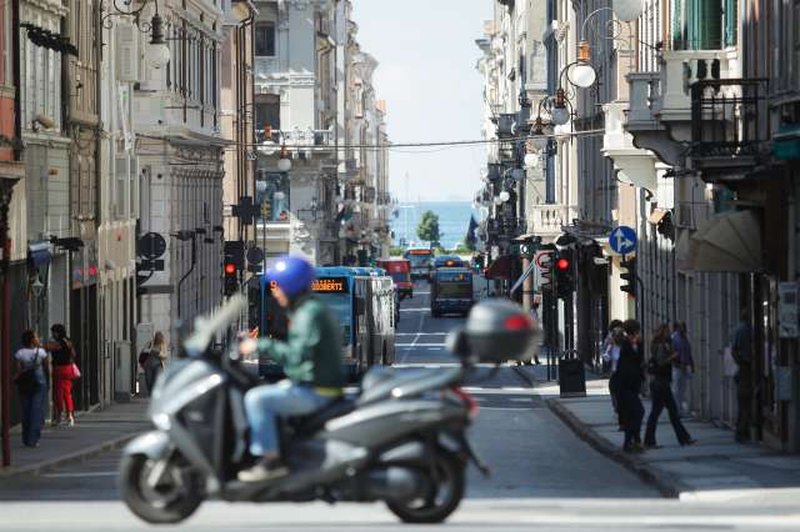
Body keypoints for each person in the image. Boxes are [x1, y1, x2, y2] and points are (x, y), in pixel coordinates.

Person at [238, 256, 345, 482]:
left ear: (291, 287)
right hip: (315, 383)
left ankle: (270, 460)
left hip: (318, 390)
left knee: (257, 399)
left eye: (279, 286)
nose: (275, 293)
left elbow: (297, 355)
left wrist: (260, 344)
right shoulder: (309, 309)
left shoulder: (308, 314)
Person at [643, 323, 695, 448]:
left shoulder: (660, 345)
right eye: (667, 331)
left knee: (670, 412)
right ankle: (650, 441)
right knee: (661, 413)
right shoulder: (660, 346)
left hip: (660, 383)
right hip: (661, 384)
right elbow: (661, 362)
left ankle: (683, 438)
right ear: (662, 332)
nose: (669, 333)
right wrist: (672, 356)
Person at [13, 330, 49, 448]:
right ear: (33, 340)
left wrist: (14, 379)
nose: (38, 338)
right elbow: (47, 368)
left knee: (26, 411)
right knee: (36, 410)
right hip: (39, 381)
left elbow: (18, 370)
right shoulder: (41, 352)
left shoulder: (20, 353)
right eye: (36, 337)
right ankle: (33, 439)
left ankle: (26, 438)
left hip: (25, 383)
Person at [616, 320, 645, 453]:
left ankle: (631, 442)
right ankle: (633, 441)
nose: (639, 333)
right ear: (634, 332)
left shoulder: (635, 345)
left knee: (633, 414)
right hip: (625, 386)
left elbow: (639, 361)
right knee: (637, 412)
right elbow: (628, 365)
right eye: (638, 331)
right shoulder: (626, 345)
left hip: (632, 386)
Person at [45, 324, 77, 427]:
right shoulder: (68, 340)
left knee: (57, 393)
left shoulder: (59, 342)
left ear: (57, 332)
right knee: (67, 393)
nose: (52, 334)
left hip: (59, 368)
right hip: (68, 368)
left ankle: (59, 416)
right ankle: (70, 416)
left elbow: (49, 348)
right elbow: (73, 354)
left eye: (53, 332)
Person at [732, 308, 753, 443]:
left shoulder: (738, 329)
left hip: (743, 366)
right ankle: (742, 431)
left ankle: (742, 430)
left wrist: (739, 362)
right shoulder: (747, 330)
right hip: (747, 367)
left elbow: (734, 350)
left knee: (743, 402)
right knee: (746, 401)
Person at [670, 322, 694, 417]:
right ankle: (676, 410)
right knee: (676, 389)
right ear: (677, 328)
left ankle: (680, 409)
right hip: (677, 367)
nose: (683, 329)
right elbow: (672, 353)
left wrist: (692, 364)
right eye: (681, 328)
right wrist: (677, 364)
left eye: (684, 327)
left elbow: (688, 352)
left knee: (682, 389)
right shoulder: (674, 338)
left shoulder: (685, 338)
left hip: (685, 366)